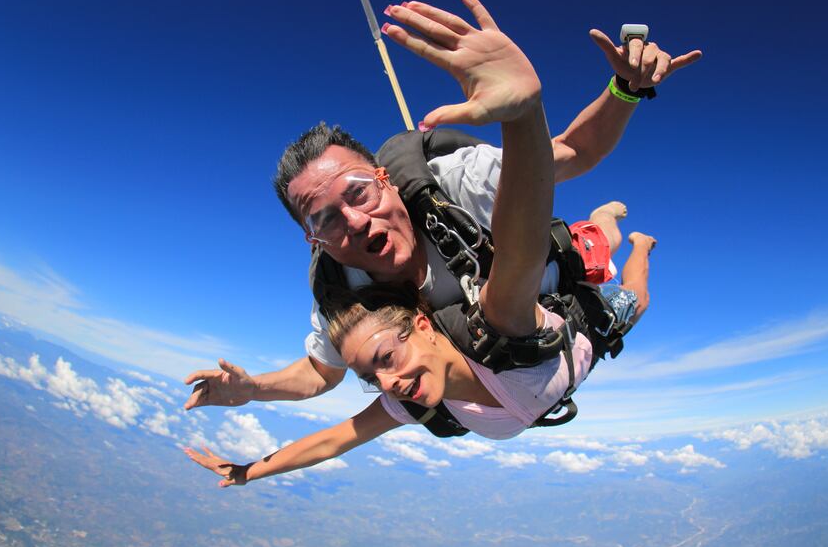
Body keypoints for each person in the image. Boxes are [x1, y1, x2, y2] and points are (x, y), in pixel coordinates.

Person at [182, 0, 699, 411]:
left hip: (559, 277)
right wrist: (253, 389)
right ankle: (609, 227)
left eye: (358, 192)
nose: (355, 221)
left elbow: (572, 151)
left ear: (386, 180)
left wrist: (625, 89)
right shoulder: (340, 290)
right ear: (312, 240)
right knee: (612, 269)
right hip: (526, 335)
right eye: (327, 221)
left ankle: (621, 230)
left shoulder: (455, 184)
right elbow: (321, 372)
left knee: (614, 265)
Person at [184, 200, 659, 485]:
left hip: (584, 322)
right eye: (372, 378)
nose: (388, 381)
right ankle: (626, 241)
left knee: (608, 261)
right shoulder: (412, 401)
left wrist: (523, 115)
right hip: (581, 357)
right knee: (639, 302)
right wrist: (249, 471)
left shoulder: (501, 321)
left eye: (386, 358)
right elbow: (332, 441)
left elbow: (523, 219)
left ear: (424, 326)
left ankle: (620, 230)